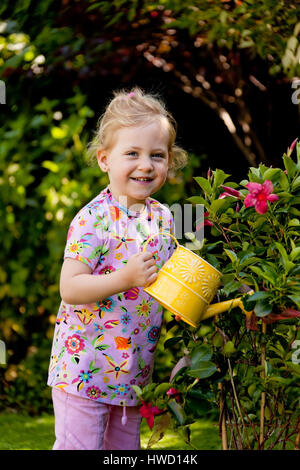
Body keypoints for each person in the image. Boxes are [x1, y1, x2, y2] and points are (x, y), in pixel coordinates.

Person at [47, 87, 188, 450]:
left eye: (157, 155)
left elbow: (168, 284)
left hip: (132, 374)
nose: (146, 164)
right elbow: (70, 288)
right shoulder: (93, 219)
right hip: (84, 370)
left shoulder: (162, 218)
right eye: (132, 153)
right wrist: (124, 278)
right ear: (104, 159)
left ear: (169, 161)